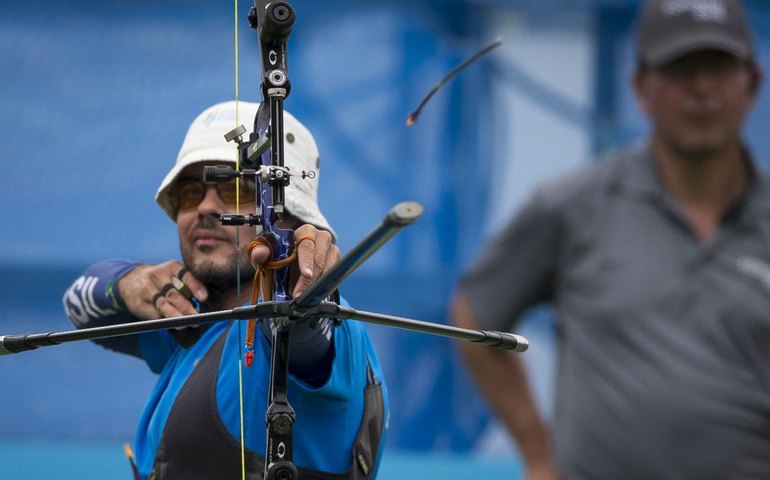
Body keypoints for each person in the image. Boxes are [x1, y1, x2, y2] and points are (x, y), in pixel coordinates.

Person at [451, 1, 769, 479]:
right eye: (682, 69)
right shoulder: (571, 205)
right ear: (642, 89)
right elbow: (475, 312)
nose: (703, 88)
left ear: (753, 86)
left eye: (720, 68)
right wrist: (538, 455)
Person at [62, 100, 387, 479]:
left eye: (237, 189)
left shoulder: (325, 332)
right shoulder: (192, 320)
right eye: (189, 193)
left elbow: (305, 338)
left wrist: (305, 296)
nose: (206, 207)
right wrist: (130, 281)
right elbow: (81, 307)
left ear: (290, 217)